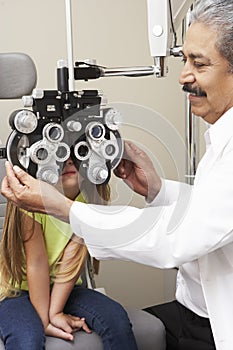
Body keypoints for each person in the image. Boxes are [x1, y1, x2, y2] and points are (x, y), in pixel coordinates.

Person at [1, 0, 233, 349]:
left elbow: (182, 239)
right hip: (195, 311)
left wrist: (67, 210)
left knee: (120, 323)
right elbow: (212, 214)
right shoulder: (220, 136)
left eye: (198, 63)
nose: (183, 75)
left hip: (216, 322)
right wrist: (156, 189)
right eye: (184, 60)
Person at [0, 157, 138, 350]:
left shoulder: (87, 202)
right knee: (27, 339)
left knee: (116, 318)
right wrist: (45, 320)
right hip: (15, 292)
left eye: (77, 153)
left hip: (62, 286)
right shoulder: (30, 201)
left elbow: (72, 260)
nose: (68, 162)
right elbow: (36, 263)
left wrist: (55, 311)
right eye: (60, 155)